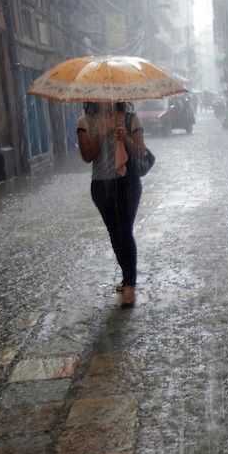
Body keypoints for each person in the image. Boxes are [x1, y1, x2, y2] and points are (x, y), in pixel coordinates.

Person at [77, 101, 147, 306]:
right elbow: (87, 156)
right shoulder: (86, 122)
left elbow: (141, 153)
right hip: (101, 186)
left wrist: (126, 138)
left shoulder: (130, 119)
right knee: (115, 233)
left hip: (128, 184)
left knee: (125, 231)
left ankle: (130, 285)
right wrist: (103, 132)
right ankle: (127, 278)